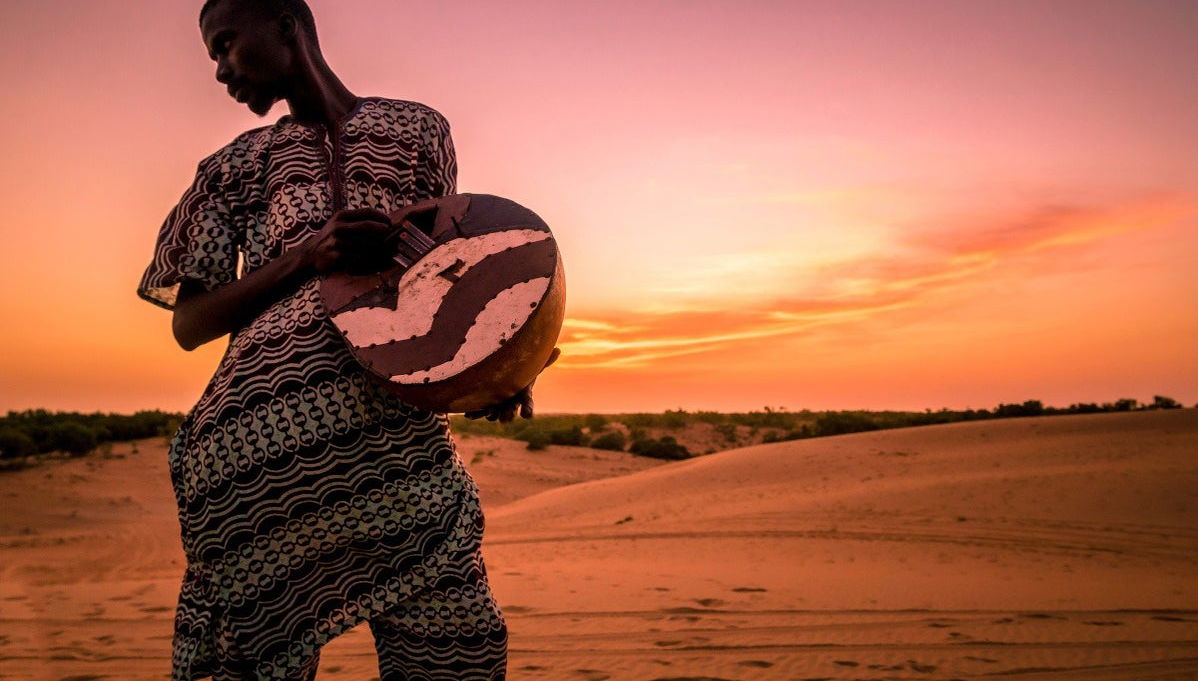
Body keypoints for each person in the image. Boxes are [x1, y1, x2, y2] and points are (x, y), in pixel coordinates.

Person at [138, 1, 543, 678]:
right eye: (213, 54)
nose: (219, 69)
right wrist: (306, 256)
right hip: (257, 473)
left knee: (460, 652)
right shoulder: (233, 166)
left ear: (288, 25)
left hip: (398, 455)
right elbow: (189, 323)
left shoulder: (418, 132)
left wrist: (505, 368)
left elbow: (444, 275)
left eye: (227, 44)